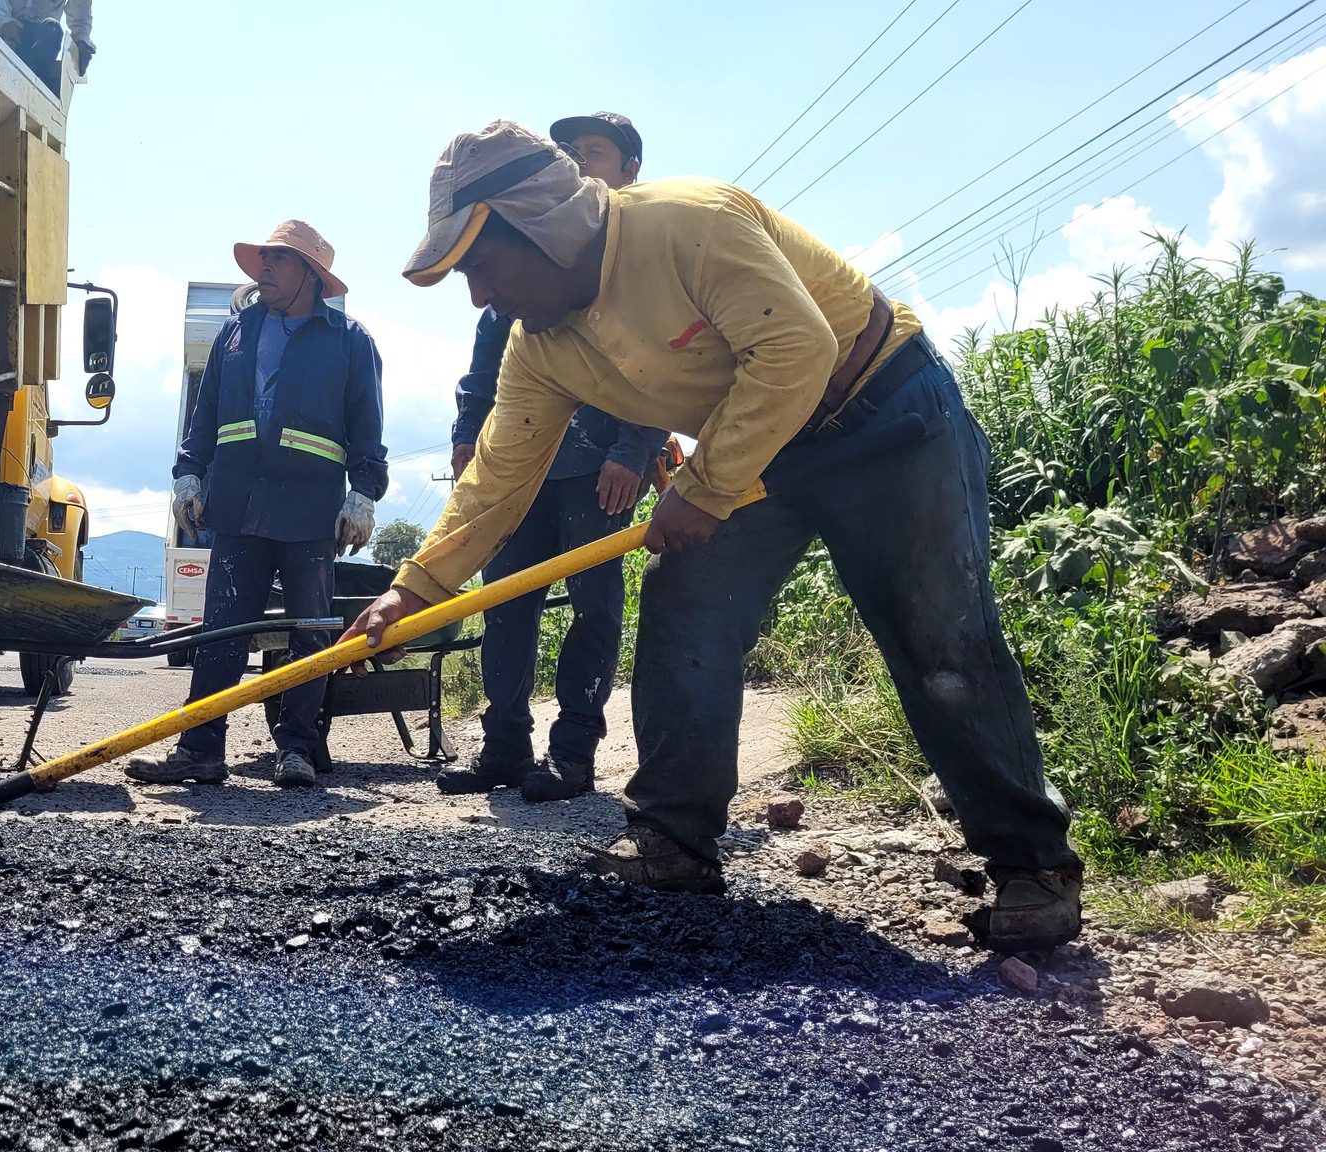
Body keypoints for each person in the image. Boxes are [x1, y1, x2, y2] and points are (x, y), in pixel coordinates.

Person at [345, 121, 1083, 951]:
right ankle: (674, 839)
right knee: (688, 608)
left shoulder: (687, 222)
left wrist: (702, 488)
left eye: (479, 265)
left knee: (939, 636)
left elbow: (796, 346)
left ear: (540, 226)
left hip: (882, 411)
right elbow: (496, 479)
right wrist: (415, 588)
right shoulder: (540, 346)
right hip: (760, 443)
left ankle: (1034, 870)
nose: (479, 295)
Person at [436, 111, 667, 803]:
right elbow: (484, 368)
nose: (580, 163)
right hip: (522, 472)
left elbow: (657, 369)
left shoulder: (636, 261)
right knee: (504, 603)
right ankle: (504, 745)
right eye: (569, 154)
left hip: (601, 472)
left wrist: (631, 449)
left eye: (593, 153)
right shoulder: (522, 256)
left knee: (596, 609)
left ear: (629, 169)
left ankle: (573, 753)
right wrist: (465, 437)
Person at [131, 221, 387, 790]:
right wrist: (189, 475)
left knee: (311, 631)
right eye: (262, 258)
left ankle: (296, 749)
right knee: (221, 630)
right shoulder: (235, 335)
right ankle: (201, 750)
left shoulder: (349, 340)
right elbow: (205, 418)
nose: (263, 269)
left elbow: (367, 428)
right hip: (238, 507)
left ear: (311, 275)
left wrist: (363, 493)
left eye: (279, 260)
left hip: (310, 512)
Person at [0, 0, 94, 91]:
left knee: (53, 28)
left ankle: (38, 83)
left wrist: (81, 44)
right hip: (5, 35)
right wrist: (4, 23)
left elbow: (80, 15)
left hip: (43, 39)